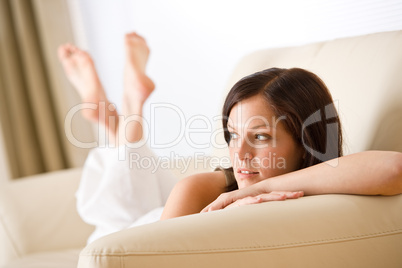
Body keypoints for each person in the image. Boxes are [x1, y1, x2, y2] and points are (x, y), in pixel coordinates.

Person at [58, 32, 402, 243]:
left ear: (307, 143)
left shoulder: (319, 184)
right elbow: (146, 256)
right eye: (232, 135)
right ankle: (123, 112)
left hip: (164, 213)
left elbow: (393, 168)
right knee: (112, 217)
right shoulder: (203, 189)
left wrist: (261, 189)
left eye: (261, 137)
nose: (239, 154)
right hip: (138, 228)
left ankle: (114, 118)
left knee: (120, 199)